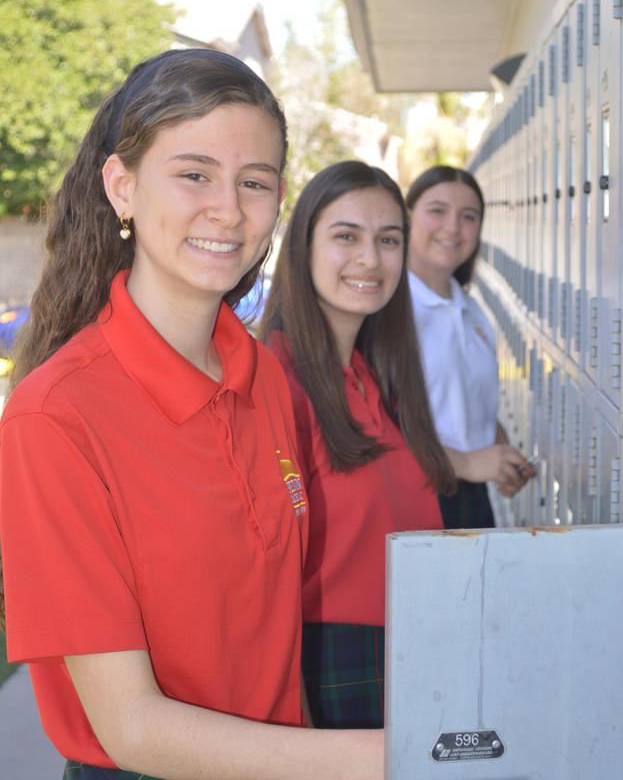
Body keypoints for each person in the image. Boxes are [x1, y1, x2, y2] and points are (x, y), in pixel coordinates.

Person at [0, 50, 383, 780]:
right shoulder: (56, 418)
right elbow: (133, 729)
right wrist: (389, 757)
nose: (229, 211)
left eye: (254, 182)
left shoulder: (263, 377)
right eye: (195, 174)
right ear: (122, 188)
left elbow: (277, 640)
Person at [259, 160, 456, 729]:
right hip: (332, 665)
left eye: (388, 239)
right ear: (303, 247)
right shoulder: (276, 382)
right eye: (346, 236)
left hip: (414, 647)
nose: (371, 260)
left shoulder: (373, 376)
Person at [405, 165, 536, 529]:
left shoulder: (471, 309)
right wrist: (466, 462)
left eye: (468, 217)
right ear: (406, 215)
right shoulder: (390, 312)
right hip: (415, 497)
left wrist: (501, 455)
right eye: (437, 210)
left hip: (472, 497)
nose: (452, 227)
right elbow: (379, 427)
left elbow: (467, 399)